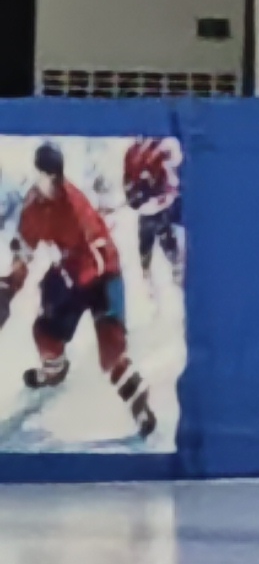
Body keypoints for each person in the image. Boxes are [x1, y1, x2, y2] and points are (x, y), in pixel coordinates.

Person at [5, 143, 161, 441]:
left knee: (111, 354)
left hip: (103, 276)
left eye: (55, 175)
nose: (53, 182)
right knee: (45, 332)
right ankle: (54, 371)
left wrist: (68, 280)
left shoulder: (75, 205)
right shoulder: (33, 208)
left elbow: (99, 255)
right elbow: (23, 251)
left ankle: (139, 404)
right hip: (73, 275)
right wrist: (9, 285)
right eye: (47, 175)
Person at [120, 134, 181, 286]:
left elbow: (171, 170)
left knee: (166, 239)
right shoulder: (132, 152)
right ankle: (146, 277)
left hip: (160, 206)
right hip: (145, 209)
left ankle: (176, 269)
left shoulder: (159, 148)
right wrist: (132, 195)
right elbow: (127, 177)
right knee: (146, 244)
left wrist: (162, 193)